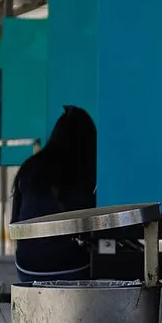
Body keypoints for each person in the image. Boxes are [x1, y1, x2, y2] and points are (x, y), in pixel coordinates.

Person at [11, 105, 98, 284]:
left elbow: (15, 220)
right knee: (113, 263)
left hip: (26, 266)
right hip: (70, 267)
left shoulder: (30, 167)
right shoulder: (81, 172)